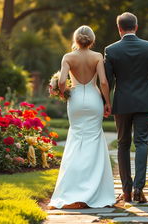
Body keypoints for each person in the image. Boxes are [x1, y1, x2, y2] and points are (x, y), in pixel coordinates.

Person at [48, 25, 115, 209]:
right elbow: (103, 82)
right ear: (91, 40)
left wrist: (63, 94)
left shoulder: (68, 57)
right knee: (94, 140)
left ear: (76, 39)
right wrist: (107, 102)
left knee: (76, 140)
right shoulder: (97, 57)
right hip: (94, 99)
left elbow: (62, 81)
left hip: (76, 100)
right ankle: (95, 191)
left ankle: (72, 191)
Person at [104, 12, 148, 203]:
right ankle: (139, 188)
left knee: (122, 144)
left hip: (122, 104)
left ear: (119, 28)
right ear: (136, 27)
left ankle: (127, 191)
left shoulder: (111, 50)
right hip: (144, 102)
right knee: (142, 143)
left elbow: (107, 81)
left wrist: (106, 102)